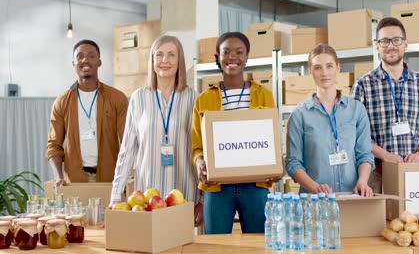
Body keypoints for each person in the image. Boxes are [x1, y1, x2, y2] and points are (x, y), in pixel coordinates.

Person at [192, 32, 280, 234]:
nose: (232, 57)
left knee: (258, 245)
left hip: (255, 186)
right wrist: (199, 162)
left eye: (239, 52)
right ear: (218, 57)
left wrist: (276, 162)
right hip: (217, 188)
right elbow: (197, 147)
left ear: (247, 57)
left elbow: (271, 140)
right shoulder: (203, 100)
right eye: (226, 52)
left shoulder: (264, 96)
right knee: (215, 247)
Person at [109, 36, 202, 226]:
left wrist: (202, 199)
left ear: (180, 60)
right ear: (152, 61)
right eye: (158, 55)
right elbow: (127, 150)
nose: (164, 60)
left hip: (185, 197)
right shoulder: (138, 98)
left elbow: (202, 151)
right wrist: (116, 194)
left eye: (171, 55)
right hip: (147, 199)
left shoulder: (193, 98)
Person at [350, 17, 419, 193]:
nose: (390, 46)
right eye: (384, 41)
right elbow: (354, 133)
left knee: (411, 221)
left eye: (396, 40)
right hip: (375, 177)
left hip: (413, 174)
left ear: (406, 44)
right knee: (377, 221)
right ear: (377, 46)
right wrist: (385, 155)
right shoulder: (363, 85)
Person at [285, 44, 374, 197]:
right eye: (318, 67)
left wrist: (363, 181)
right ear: (310, 72)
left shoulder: (356, 110)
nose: (324, 72)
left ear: (338, 68)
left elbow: (364, 154)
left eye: (329, 66)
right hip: (315, 201)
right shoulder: (299, 115)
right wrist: (315, 188)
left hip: (352, 196)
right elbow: (293, 162)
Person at [46, 39, 128, 187]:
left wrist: (128, 175)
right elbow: (54, 146)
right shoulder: (62, 102)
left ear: (99, 62)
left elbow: (128, 142)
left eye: (91, 56)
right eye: (80, 56)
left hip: (111, 180)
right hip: (74, 181)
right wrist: (58, 177)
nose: (85, 60)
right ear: (73, 64)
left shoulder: (117, 98)